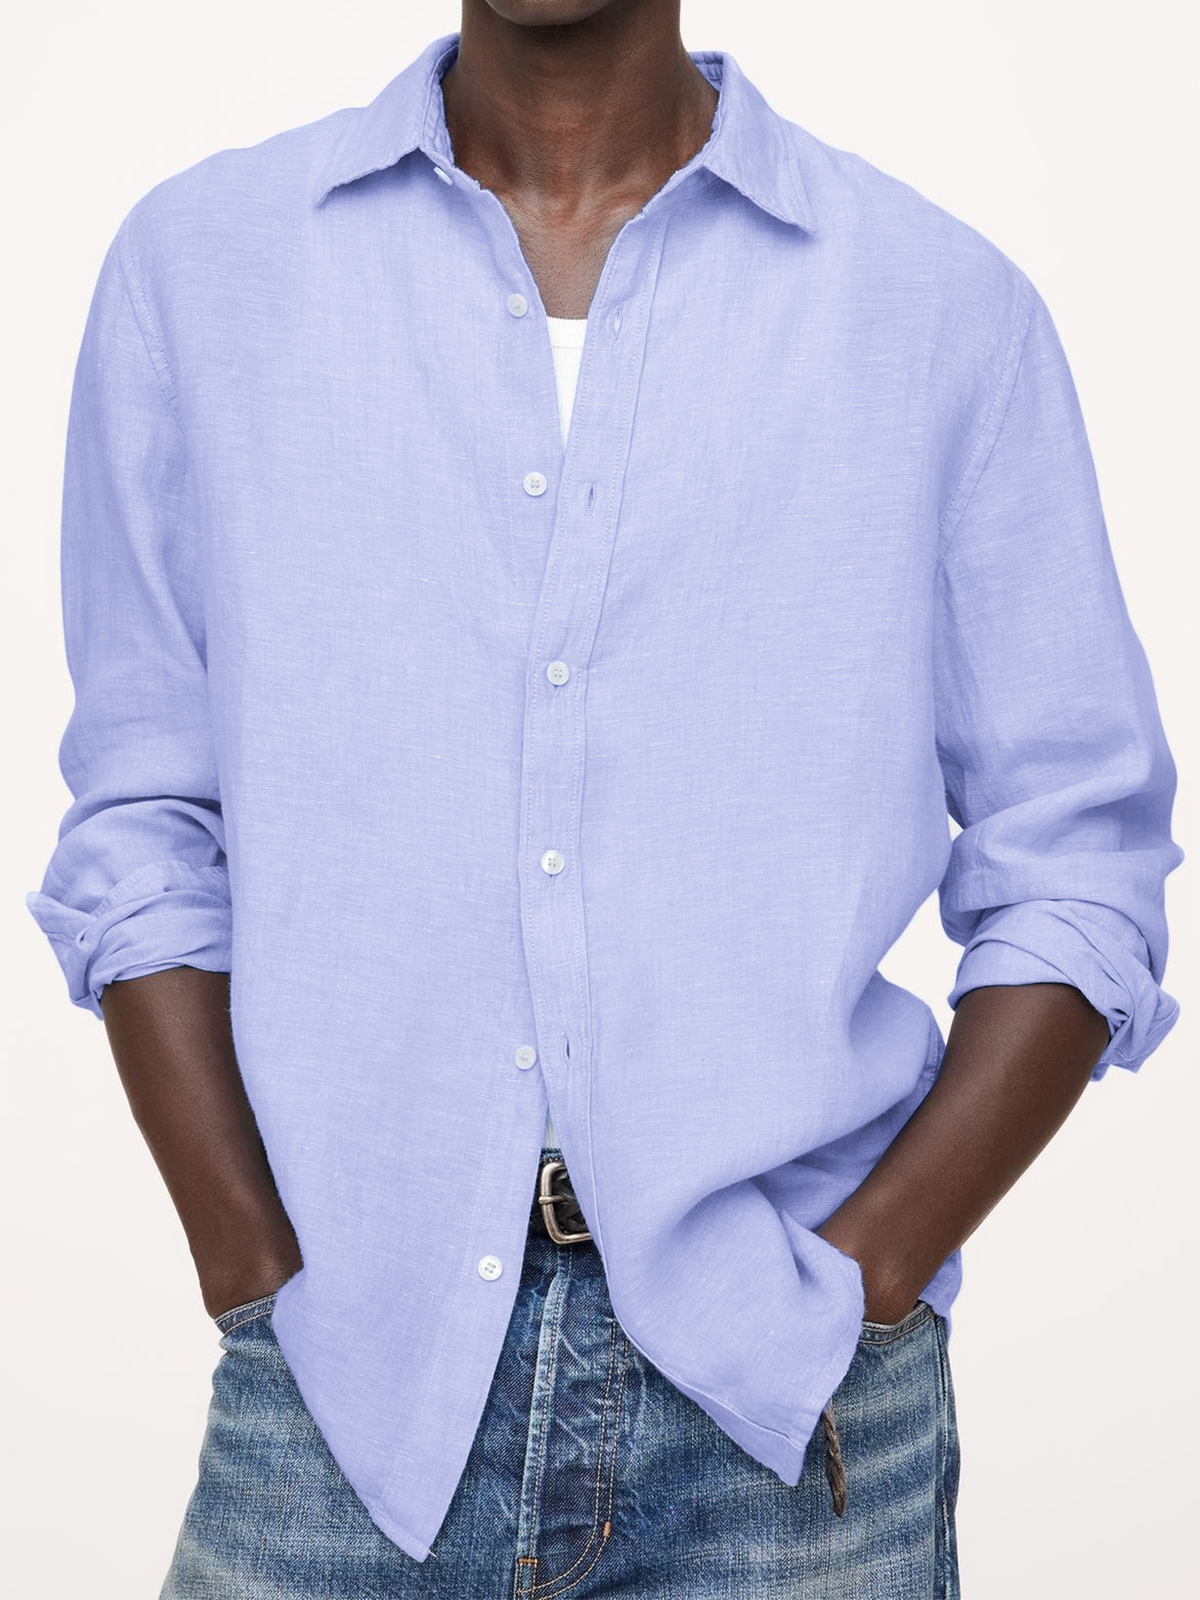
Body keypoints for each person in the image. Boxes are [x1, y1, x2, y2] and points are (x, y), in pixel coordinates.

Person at [25, 2, 1182, 1596]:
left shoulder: (937, 311)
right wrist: (250, 1264)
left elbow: (1080, 858)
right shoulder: (206, 270)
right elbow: (143, 817)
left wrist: (869, 1275)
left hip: (787, 1411)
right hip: (345, 1392)